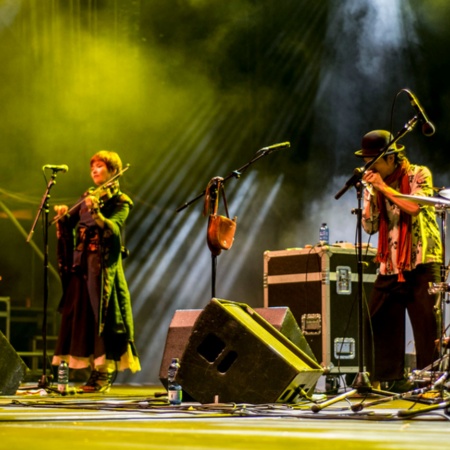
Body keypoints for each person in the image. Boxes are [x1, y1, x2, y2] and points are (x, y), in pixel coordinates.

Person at [355, 130, 442, 390]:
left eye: (374, 161)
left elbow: (416, 207)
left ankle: (431, 384)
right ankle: (382, 381)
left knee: (427, 327)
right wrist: (371, 194)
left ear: (391, 158)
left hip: (421, 261)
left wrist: (383, 187)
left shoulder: (419, 174)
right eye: (366, 161)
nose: (369, 167)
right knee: (377, 321)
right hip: (390, 264)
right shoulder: (376, 185)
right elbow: (369, 227)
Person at [52, 150, 140, 393]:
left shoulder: (120, 201)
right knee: (83, 316)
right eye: (93, 167)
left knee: (104, 316)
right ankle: (94, 370)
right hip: (83, 264)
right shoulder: (88, 196)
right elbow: (71, 222)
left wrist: (97, 213)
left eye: (100, 166)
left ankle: (105, 372)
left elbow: (114, 228)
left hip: (103, 270)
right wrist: (62, 215)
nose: (94, 170)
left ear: (113, 171)